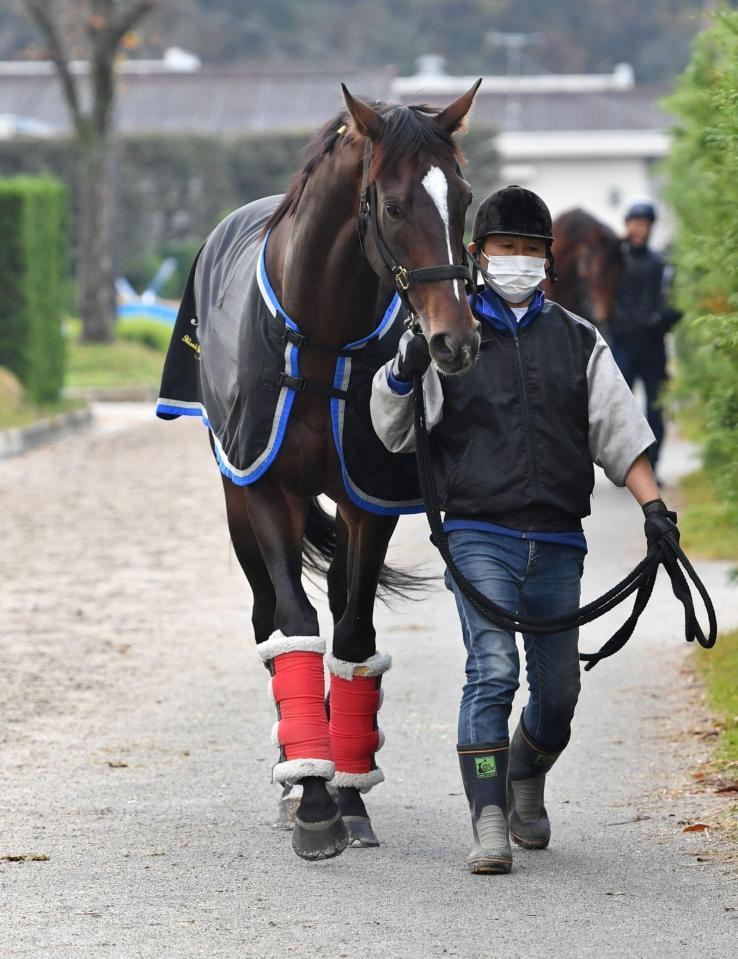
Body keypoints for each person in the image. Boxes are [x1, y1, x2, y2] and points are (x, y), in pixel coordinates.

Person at [369, 185, 681, 875]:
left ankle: (525, 773)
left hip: (559, 539)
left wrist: (656, 509)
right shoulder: (445, 340)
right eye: (505, 248)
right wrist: (404, 367)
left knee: (559, 695)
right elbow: (390, 430)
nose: (517, 260)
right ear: (478, 256)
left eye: (529, 251)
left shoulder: (577, 339)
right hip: (479, 531)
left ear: (547, 262)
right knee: (492, 669)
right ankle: (488, 821)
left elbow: (621, 434)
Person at [608, 198, 681, 473]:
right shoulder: (614, 261)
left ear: (651, 227)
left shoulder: (662, 264)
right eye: (633, 223)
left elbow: (676, 305)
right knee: (620, 408)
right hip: (621, 344)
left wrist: (658, 319)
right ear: (626, 226)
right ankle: (625, 465)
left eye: (644, 224)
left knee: (655, 408)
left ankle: (653, 465)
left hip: (652, 345)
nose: (638, 229)